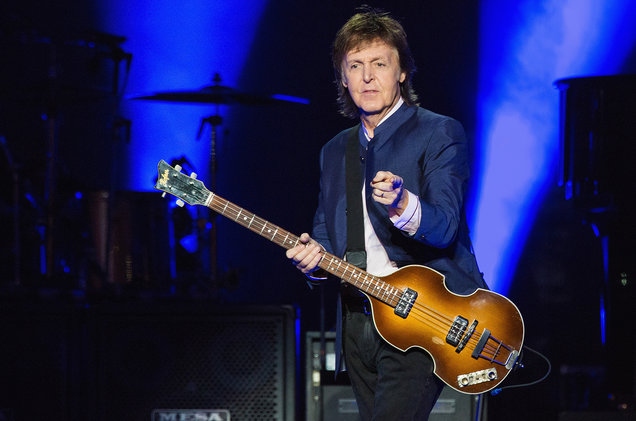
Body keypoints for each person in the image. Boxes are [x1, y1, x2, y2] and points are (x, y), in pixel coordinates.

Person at [286, 7, 487, 420]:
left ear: (401, 73)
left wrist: (401, 203)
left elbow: (445, 226)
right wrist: (312, 262)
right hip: (358, 325)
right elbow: (327, 236)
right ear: (343, 78)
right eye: (355, 66)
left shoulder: (438, 131)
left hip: (423, 317)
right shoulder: (334, 150)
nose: (367, 76)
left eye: (380, 64)